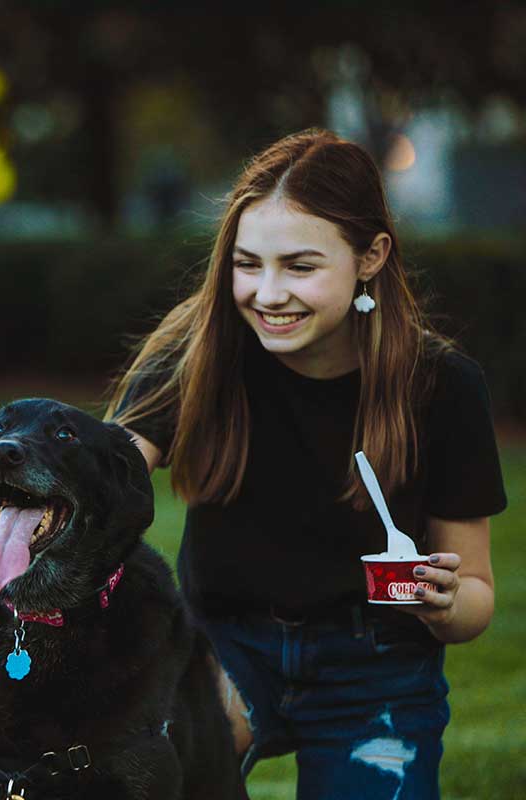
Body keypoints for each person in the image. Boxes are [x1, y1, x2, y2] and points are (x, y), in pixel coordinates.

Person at [102, 128, 507, 799]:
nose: (267, 293)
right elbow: (106, 474)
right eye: (247, 263)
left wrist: (444, 602)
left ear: (371, 256)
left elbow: (477, 602)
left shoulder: (440, 386)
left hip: (376, 668)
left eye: (299, 266)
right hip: (221, 647)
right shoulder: (201, 353)